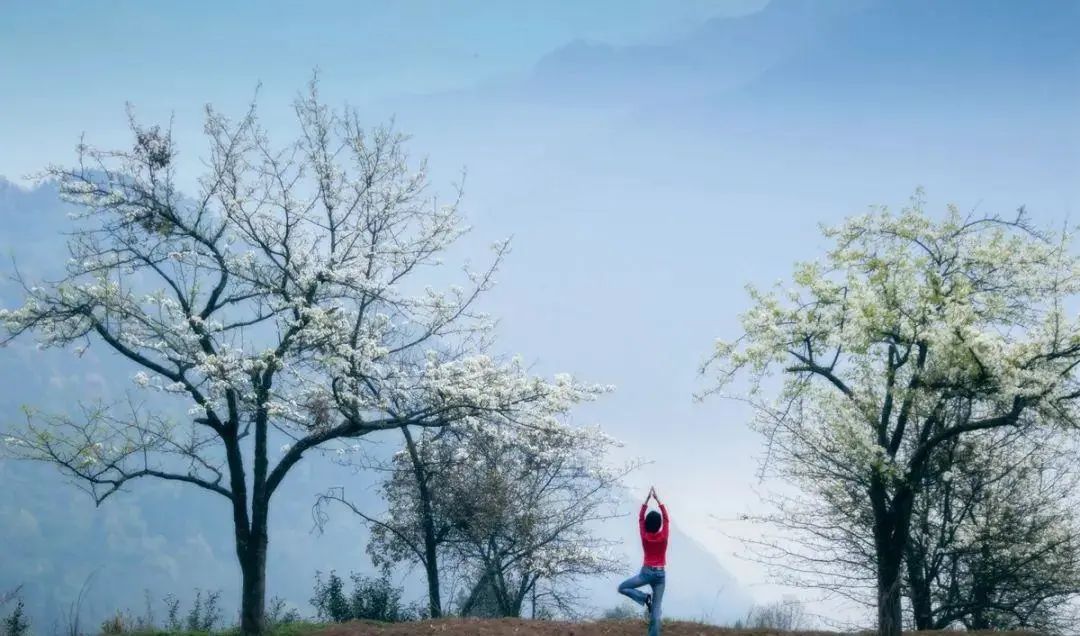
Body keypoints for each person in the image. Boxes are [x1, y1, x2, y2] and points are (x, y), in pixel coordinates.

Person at [617, 486, 668, 636]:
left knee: (622, 588)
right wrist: (658, 501)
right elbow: (666, 519)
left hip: (646, 573)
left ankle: (644, 597)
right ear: (659, 524)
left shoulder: (645, 536)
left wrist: (646, 501)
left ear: (646, 524)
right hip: (660, 575)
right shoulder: (664, 536)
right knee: (656, 611)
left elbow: (640, 518)